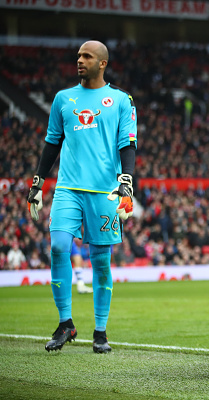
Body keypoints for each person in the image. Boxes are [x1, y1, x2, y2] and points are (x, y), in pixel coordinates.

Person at [26, 40, 137, 354]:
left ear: (102, 63)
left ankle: (100, 331)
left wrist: (126, 181)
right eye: (78, 56)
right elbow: (51, 144)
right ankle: (66, 323)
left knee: (101, 265)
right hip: (67, 189)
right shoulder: (63, 99)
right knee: (58, 246)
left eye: (87, 56)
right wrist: (37, 183)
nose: (80, 60)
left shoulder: (121, 100)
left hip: (104, 192)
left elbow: (128, 144)